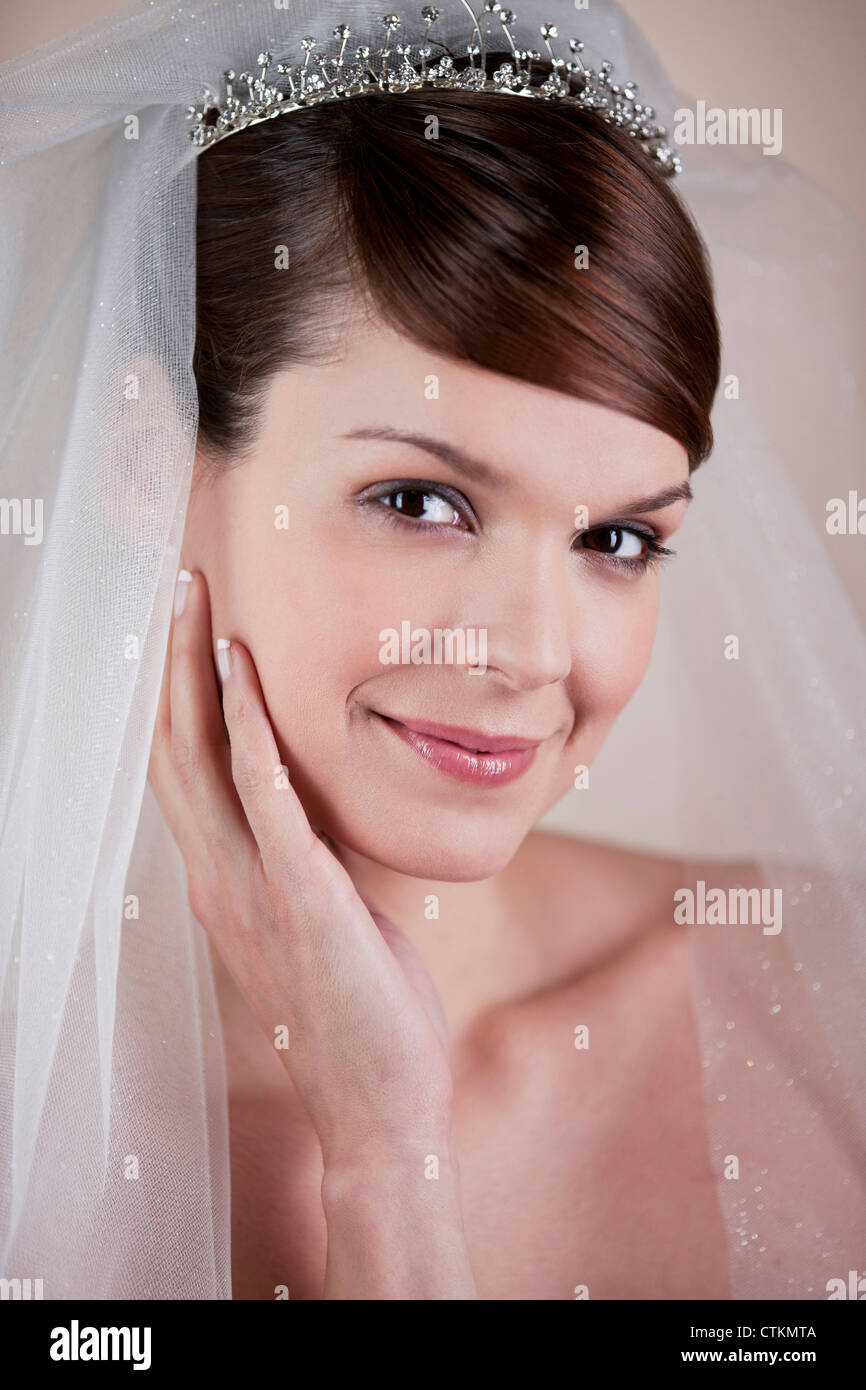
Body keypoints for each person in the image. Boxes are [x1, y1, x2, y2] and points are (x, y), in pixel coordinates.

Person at [1, 0, 863, 1301]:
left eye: (619, 539)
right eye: (420, 501)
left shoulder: (824, 989)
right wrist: (380, 1151)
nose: (530, 654)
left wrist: (386, 1149)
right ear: (147, 462)